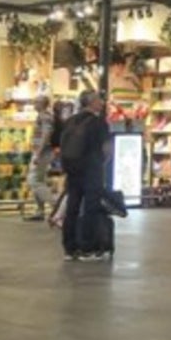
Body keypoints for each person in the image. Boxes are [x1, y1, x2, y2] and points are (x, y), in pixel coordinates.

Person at [60, 90, 113, 261]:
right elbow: (107, 150)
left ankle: (69, 248)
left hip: (73, 169)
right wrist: (102, 164)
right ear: (91, 102)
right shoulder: (98, 123)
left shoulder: (70, 121)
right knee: (91, 207)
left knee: (72, 208)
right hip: (92, 169)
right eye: (99, 100)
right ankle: (88, 248)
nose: (102, 102)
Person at [24, 96, 56, 222]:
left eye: (36, 102)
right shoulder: (43, 116)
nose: (34, 104)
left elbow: (46, 134)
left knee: (34, 181)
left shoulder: (45, 117)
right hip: (41, 152)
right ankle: (40, 210)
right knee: (39, 179)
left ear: (43, 104)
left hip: (42, 153)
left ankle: (55, 205)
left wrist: (38, 152)